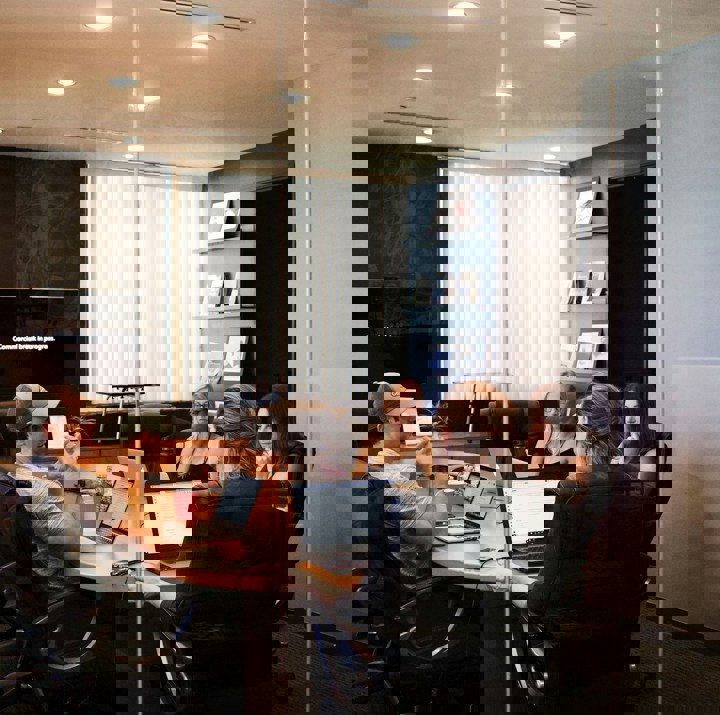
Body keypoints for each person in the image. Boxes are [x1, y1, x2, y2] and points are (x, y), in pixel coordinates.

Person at [528, 382, 654, 714]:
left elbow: (547, 584)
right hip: (614, 598)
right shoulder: (633, 484)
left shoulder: (574, 495)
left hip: (569, 601)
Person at [171, 389, 292, 714]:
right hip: (246, 628)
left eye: (205, 435)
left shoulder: (242, 496)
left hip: (224, 630)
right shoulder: (249, 490)